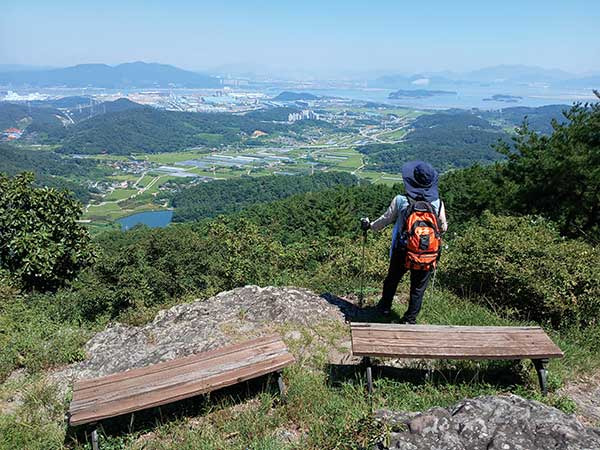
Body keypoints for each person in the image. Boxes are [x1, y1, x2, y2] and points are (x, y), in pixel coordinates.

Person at [362, 161, 448, 323]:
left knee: (392, 280)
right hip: (427, 253)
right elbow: (442, 228)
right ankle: (410, 319)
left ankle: (384, 308)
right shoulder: (438, 204)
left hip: (402, 250)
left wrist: (369, 226)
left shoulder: (401, 200)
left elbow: (384, 221)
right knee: (418, 288)